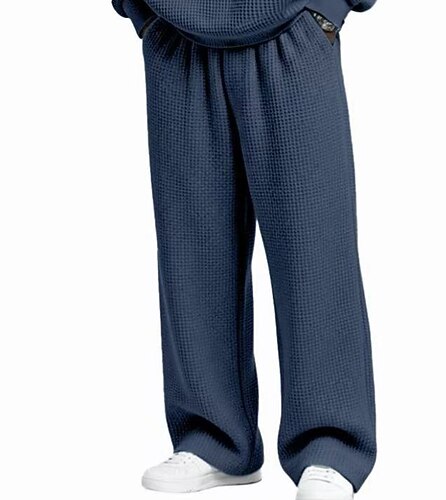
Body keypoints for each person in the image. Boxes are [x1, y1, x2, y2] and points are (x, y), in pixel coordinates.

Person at [111, 1, 378, 498]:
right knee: (191, 251)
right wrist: (142, 11)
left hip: (293, 26)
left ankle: (330, 445)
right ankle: (213, 440)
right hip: (177, 29)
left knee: (315, 248)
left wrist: (329, 6)